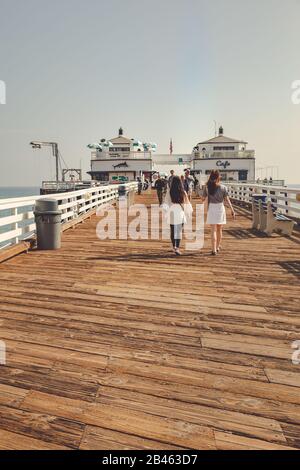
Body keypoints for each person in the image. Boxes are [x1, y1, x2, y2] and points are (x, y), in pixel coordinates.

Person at [201, 170, 235, 255]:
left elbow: (202, 198)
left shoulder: (207, 187)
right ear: (218, 177)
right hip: (220, 208)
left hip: (211, 208)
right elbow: (227, 200)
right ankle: (217, 247)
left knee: (213, 230)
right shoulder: (223, 187)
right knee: (219, 229)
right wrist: (232, 210)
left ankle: (213, 250)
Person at [164, 176, 193, 255]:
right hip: (180, 213)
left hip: (172, 212)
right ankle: (177, 248)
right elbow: (187, 203)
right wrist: (188, 213)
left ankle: (174, 247)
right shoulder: (183, 192)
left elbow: (166, 203)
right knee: (179, 231)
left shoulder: (169, 192)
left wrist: (166, 212)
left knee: (173, 231)